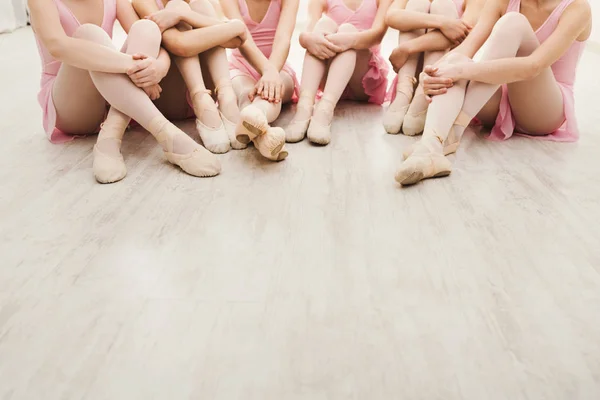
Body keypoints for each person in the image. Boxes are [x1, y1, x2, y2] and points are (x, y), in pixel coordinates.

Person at [395, 0, 592, 186]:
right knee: (454, 60)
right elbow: (465, 49)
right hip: (500, 103)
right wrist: (431, 74)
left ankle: (445, 138)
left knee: (512, 23)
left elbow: (533, 66)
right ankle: (432, 145)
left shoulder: (577, 8)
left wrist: (463, 70)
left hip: (543, 111)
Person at [30, 0, 222, 183]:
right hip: (70, 104)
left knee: (146, 28)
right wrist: (131, 65)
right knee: (89, 34)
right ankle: (167, 134)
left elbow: (156, 40)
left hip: (110, 92)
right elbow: (58, 46)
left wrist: (158, 67)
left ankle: (110, 136)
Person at [134, 0, 249, 154]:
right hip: (167, 97)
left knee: (201, 4)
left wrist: (183, 15)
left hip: (210, 93)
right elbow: (180, 44)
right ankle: (200, 98)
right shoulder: (144, 3)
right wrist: (236, 27)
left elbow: (235, 40)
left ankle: (226, 96)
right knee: (177, 5)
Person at [285, 0, 392, 145]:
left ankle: (325, 110)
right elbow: (309, 32)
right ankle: (304, 107)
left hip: (363, 80)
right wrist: (307, 39)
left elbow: (377, 35)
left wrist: (345, 40)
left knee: (348, 29)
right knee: (324, 25)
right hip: (332, 80)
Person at [383, 0, 485, 135]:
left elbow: (461, 34)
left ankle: (423, 95)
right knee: (416, 3)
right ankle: (404, 91)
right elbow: (391, 17)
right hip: (412, 72)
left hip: (442, 78)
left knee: (443, 5)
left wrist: (406, 48)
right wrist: (442, 22)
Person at [218, 0, 301, 161]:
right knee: (244, 93)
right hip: (241, 66)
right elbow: (243, 39)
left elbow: (283, 39)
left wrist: (272, 72)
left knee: (272, 93)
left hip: (278, 67)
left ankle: (256, 114)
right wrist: (266, 70)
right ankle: (266, 138)